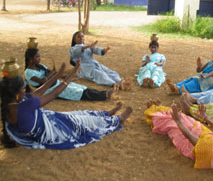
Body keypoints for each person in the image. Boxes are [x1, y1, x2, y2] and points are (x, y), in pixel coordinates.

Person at [0, 59, 133, 149]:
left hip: (46, 121)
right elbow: (53, 94)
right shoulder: (24, 106)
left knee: (80, 114)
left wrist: (57, 75)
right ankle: (117, 120)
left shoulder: (10, 104)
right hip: (53, 131)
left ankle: (106, 113)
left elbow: (38, 92)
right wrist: (71, 75)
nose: (26, 89)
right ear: (17, 94)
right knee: (83, 123)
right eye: (23, 88)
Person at [144, 100, 213, 174]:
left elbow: (189, 136)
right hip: (204, 139)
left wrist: (178, 121)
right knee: (188, 120)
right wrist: (205, 118)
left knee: (171, 123)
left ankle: (154, 110)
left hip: (192, 146)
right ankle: (162, 109)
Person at [24, 47, 114, 101]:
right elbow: (43, 81)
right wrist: (53, 73)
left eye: (39, 56)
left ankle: (104, 93)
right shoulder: (28, 72)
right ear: (30, 59)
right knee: (79, 93)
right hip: (49, 90)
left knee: (82, 87)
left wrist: (65, 76)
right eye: (37, 56)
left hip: (56, 83)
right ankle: (104, 95)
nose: (39, 58)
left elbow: (53, 74)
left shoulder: (40, 66)